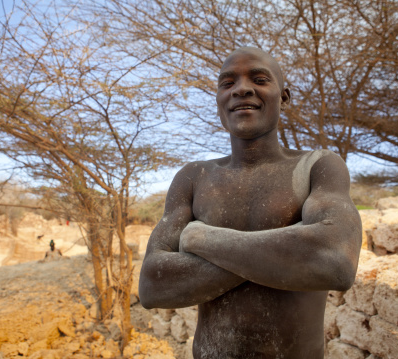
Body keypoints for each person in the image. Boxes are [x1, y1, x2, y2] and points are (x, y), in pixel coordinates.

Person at [139, 47, 362, 358]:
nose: (241, 89)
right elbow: (152, 285)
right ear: (218, 99)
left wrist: (201, 238)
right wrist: (287, 253)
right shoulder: (194, 176)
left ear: (284, 97)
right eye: (227, 83)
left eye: (258, 79)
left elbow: (334, 262)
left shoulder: (318, 166)